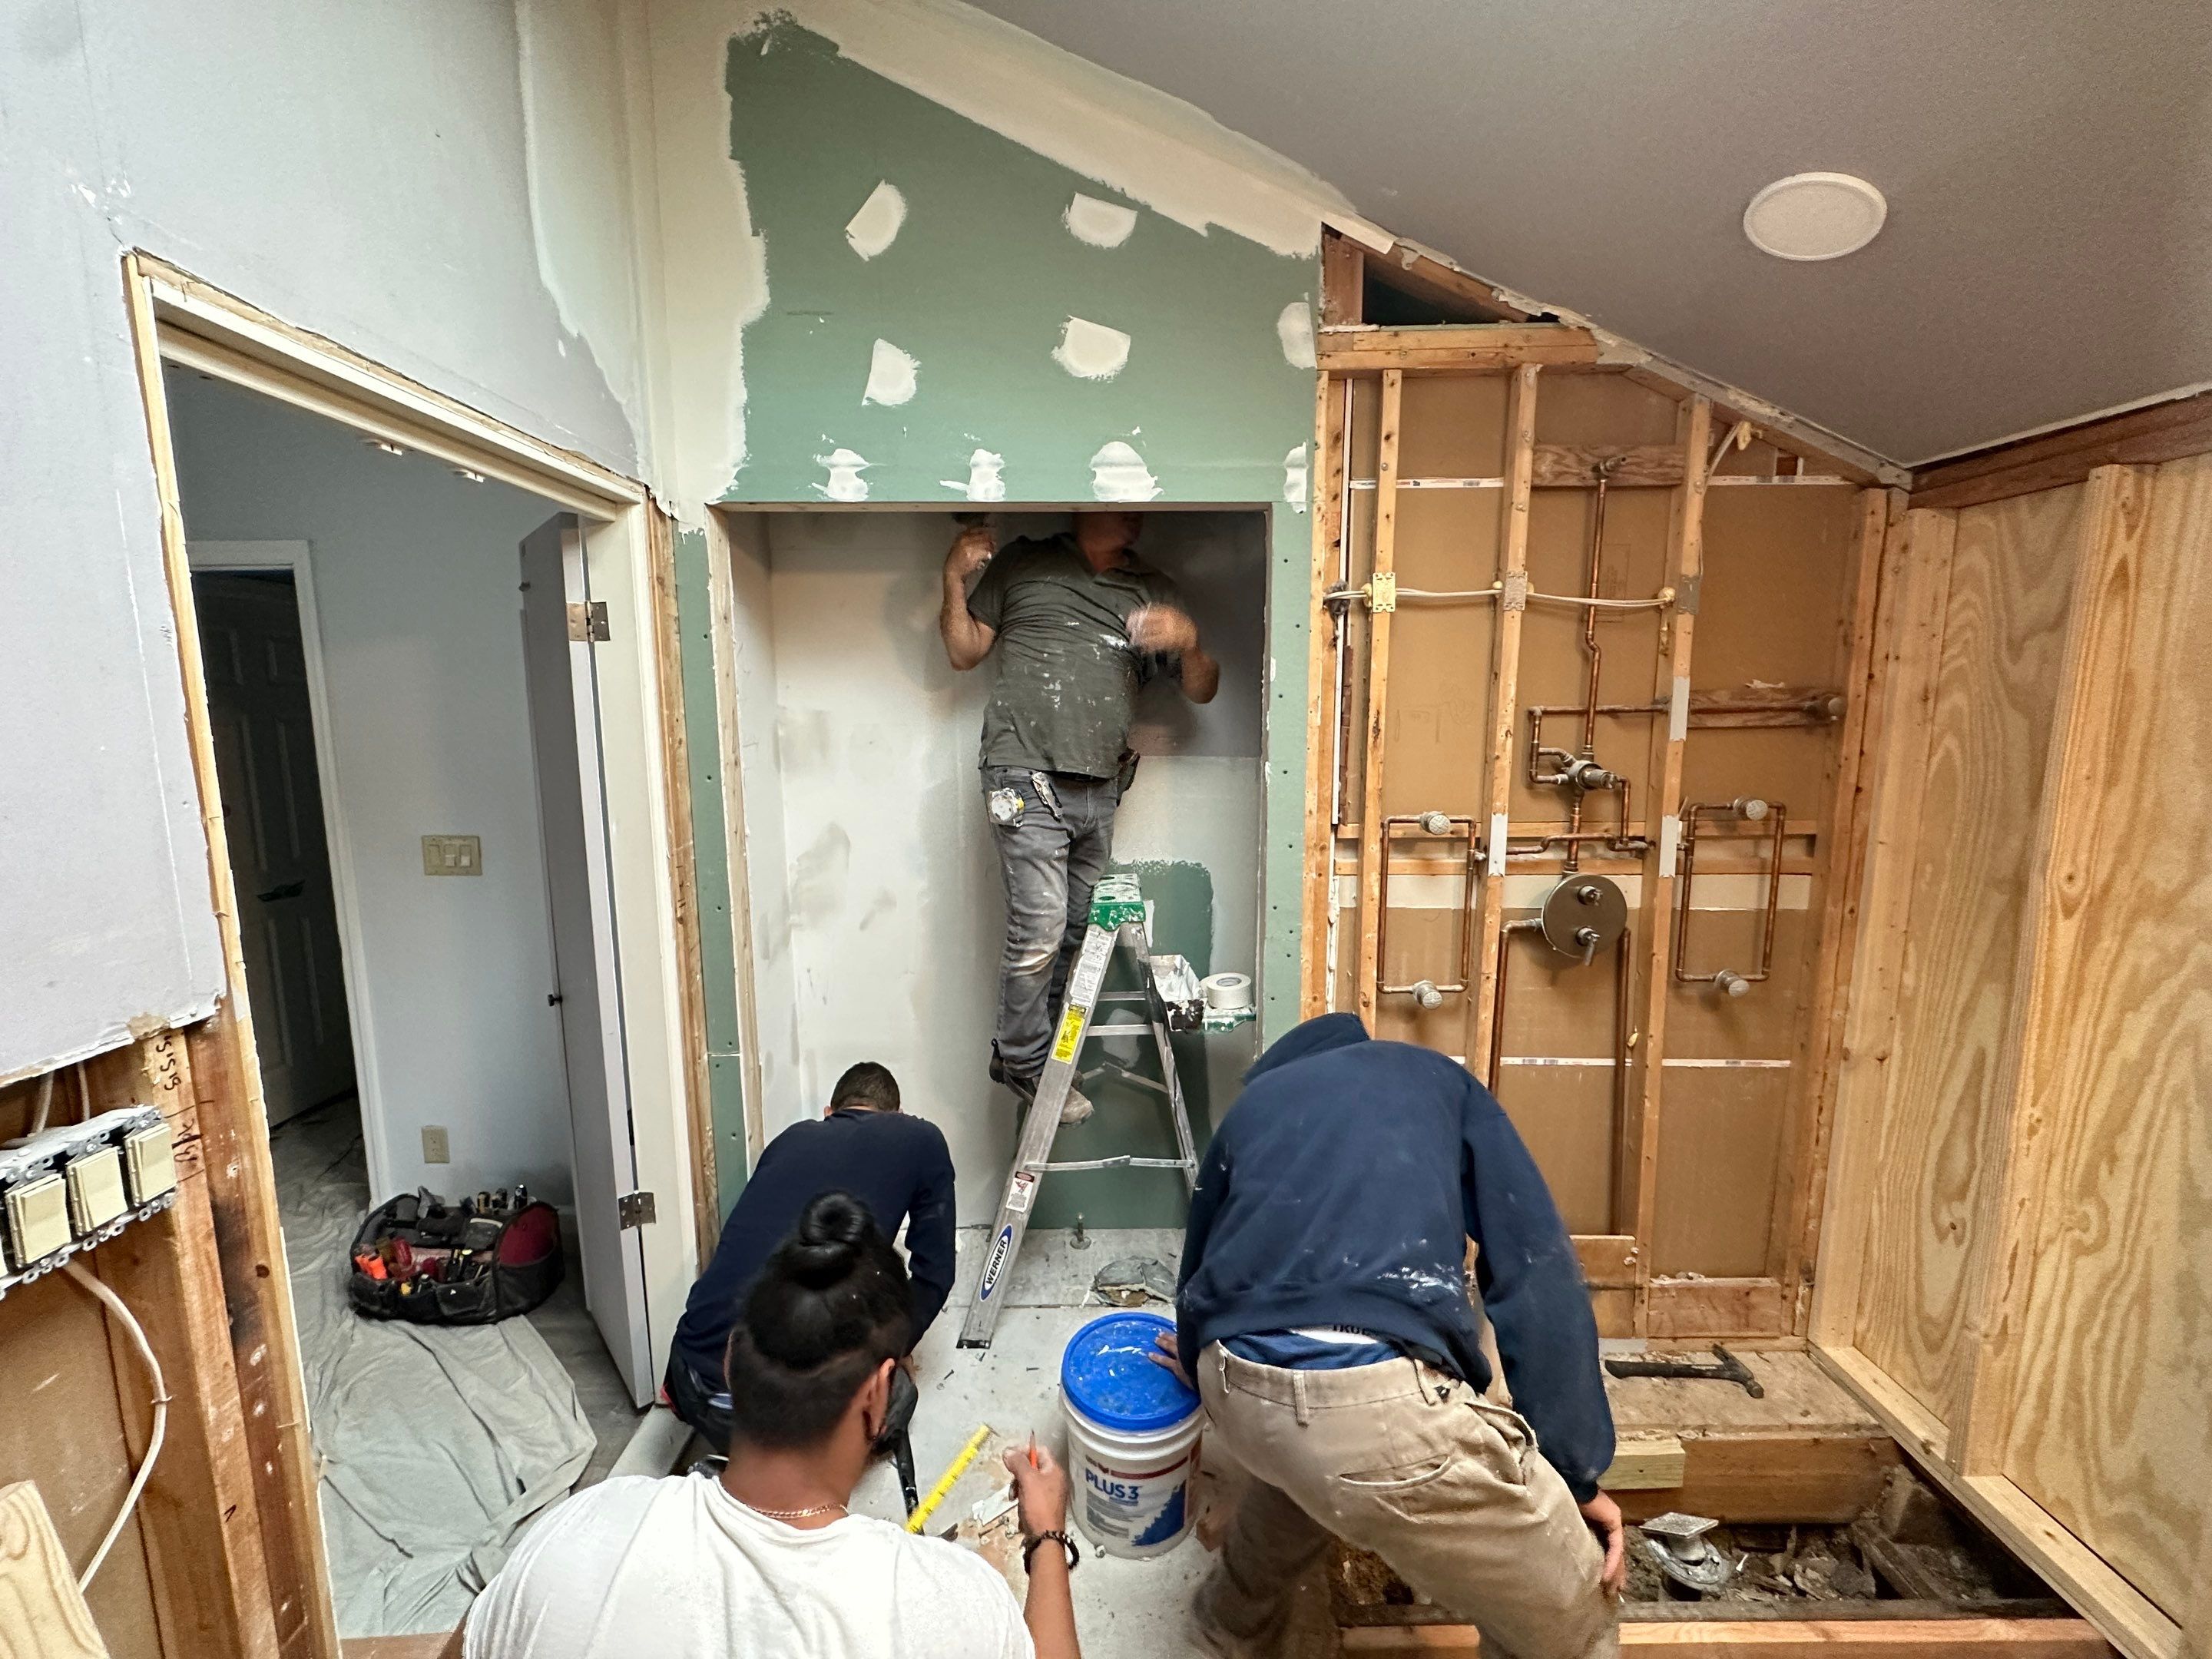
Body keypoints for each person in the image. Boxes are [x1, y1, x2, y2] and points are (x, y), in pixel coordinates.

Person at [1156, 1012, 1626, 1659]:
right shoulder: (1433, 1079)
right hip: (1373, 1413)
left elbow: (1198, 1269)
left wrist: (1197, 1362)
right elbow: (1534, 1271)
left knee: (1301, 1466)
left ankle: (1225, 1627)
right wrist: (1576, 1473)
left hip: (1233, 1384)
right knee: (1575, 1626)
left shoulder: (1253, 1108)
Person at [462, 1194, 1082, 1659]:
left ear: (732, 1360)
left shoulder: (578, 1531)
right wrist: (1046, 1536)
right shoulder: (950, 1604)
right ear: (878, 1395)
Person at [940, 510, 1219, 1125]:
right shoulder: (1024, 563)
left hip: (1101, 786)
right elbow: (964, 651)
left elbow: (1202, 690)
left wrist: (1189, 640)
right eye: (1121, 504)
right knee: (1038, 931)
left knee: (1070, 934)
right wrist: (954, 578)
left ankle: (1033, 1058)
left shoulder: (1153, 589)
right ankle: (1023, 1059)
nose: (1135, 516)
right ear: (1087, 505)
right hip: (1024, 777)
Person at [665, 1061, 955, 1451]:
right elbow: (936, 1273)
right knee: (896, 1389)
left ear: (829, 1113)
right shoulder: (922, 1138)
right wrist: (896, 1348)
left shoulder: (790, 1138)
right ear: (897, 1114)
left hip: (688, 1378)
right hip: (782, 1423)